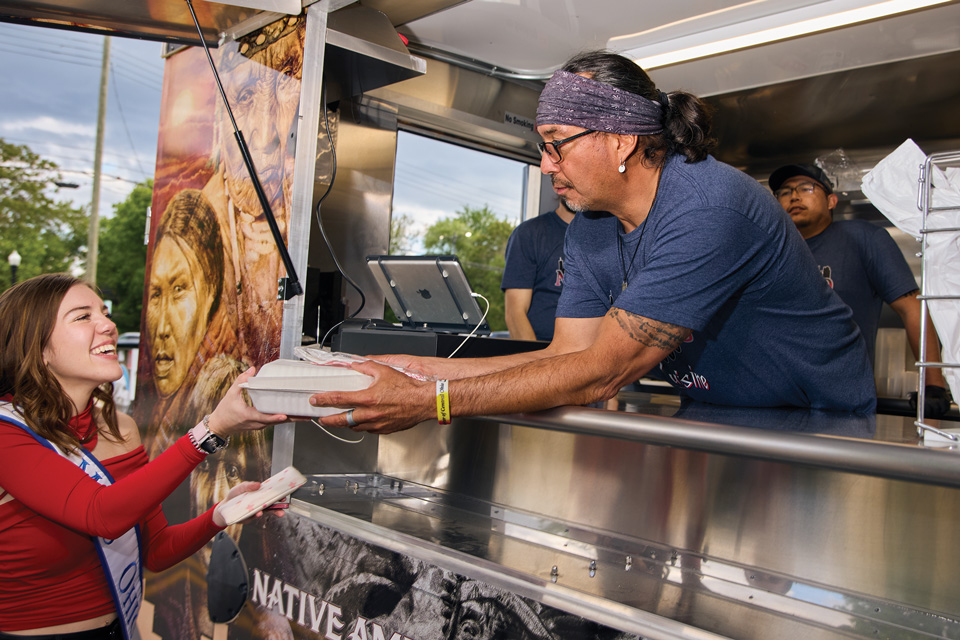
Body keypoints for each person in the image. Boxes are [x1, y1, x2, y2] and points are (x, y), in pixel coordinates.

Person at [308, 50, 876, 435]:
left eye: (556, 143)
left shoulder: (707, 206)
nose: (544, 164)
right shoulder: (590, 226)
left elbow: (600, 372)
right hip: (717, 405)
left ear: (621, 140)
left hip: (820, 415)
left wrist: (431, 401)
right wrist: (411, 372)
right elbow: (566, 357)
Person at [0, 274, 287, 638]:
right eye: (82, 316)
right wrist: (209, 430)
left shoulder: (120, 430)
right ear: (37, 347)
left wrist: (220, 514)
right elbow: (99, 514)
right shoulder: (7, 433)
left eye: (103, 312)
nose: (108, 324)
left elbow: (153, 550)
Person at [768, 163, 950, 415]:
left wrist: (933, 384)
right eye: (784, 192)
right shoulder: (771, 251)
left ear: (831, 201)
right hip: (773, 396)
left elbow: (912, 308)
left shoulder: (863, 238)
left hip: (840, 399)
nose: (794, 196)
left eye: (806, 188)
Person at [501, 200, 575, 341]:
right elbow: (515, 313)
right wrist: (536, 360)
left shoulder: (609, 236)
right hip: (541, 349)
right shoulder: (529, 233)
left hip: (593, 353)